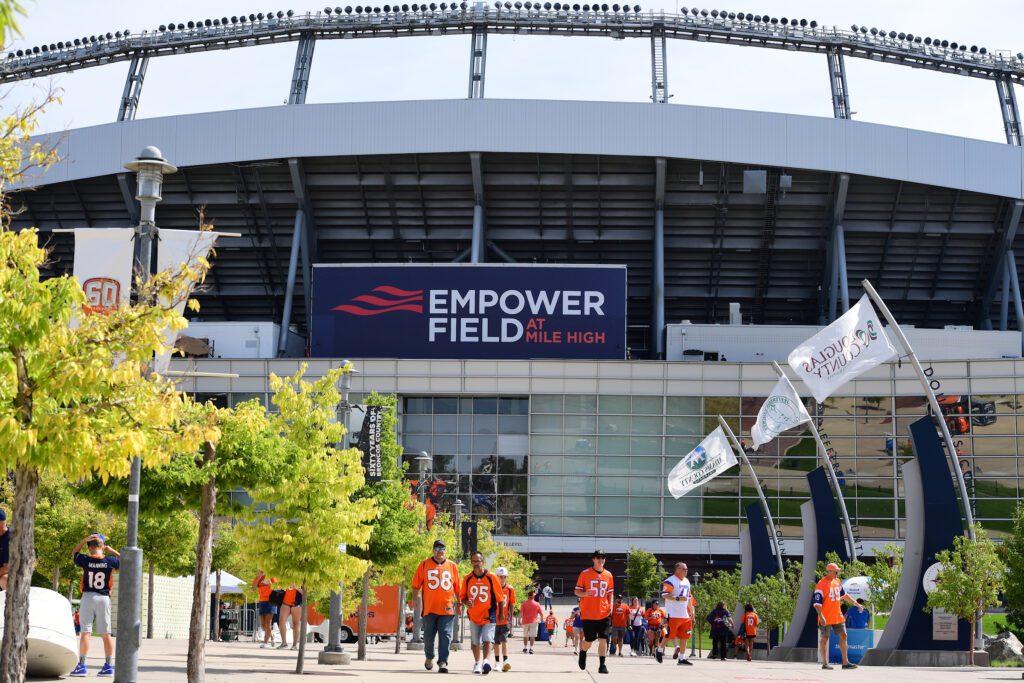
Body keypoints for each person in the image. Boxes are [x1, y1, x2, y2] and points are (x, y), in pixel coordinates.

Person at [70, 533, 120, 677]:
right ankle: (108, 666)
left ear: (89, 547)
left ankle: (82, 665)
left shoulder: (85, 560)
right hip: (104, 598)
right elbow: (127, 561)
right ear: (102, 547)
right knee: (106, 633)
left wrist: (83, 540)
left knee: (86, 632)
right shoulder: (110, 561)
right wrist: (112, 551)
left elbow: (75, 553)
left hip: (88, 597)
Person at [412, 539, 461, 674]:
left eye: (442, 549)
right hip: (430, 609)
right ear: (433, 550)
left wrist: (460, 602)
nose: (440, 552)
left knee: (446, 636)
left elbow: (457, 587)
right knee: (428, 637)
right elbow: (416, 584)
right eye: (437, 549)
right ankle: (429, 657)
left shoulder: (452, 566)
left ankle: (443, 661)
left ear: (446, 551)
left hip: (447, 608)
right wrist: (415, 599)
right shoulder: (424, 565)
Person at [460, 550, 504, 675]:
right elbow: (462, 596)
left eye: (478, 561)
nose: (475, 563)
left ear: (482, 562)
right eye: (473, 561)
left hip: (489, 614)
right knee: (475, 642)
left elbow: (500, 598)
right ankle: (477, 663)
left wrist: (501, 614)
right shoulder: (467, 578)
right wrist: (465, 602)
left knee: (487, 639)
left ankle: (485, 661)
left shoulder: (491, 577)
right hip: (473, 615)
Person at [814, 562, 864, 670]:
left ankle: (845, 663)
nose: (837, 573)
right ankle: (825, 663)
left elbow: (844, 595)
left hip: (837, 615)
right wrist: (821, 616)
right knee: (825, 638)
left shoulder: (837, 581)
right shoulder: (821, 584)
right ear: (830, 571)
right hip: (825, 616)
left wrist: (856, 603)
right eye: (836, 571)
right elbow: (817, 603)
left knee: (844, 635)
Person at [574, 549, 614, 674]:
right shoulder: (585, 574)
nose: (601, 560)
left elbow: (610, 593)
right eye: (598, 558)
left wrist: (610, 606)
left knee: (603, 639)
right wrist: (585, 593)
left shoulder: (608, 575)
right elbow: (576, 591)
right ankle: (583, 651)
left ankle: (602, 665)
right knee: (589, 641)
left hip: (604, 613)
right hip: (589, 614)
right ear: (593, 559)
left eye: (603, 558)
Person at [660, 561, 694, 666]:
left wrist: (691, 610)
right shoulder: (670, 581)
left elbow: (688, 597)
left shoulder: (687, 581)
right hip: (673, 613)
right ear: (678, 569)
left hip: (684, 614)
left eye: (686, 569)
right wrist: (678, 598)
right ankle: (659, 650)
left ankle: (682, 658)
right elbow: (664, 595)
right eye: (684, 569)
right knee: (670, 635)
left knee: (685, 636)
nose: (686, 571)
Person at [494, 566, 516, 671]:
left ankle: (506, 660)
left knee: (504, 640)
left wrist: (511, 618)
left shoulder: (510, 589)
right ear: (496, 577)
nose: (503, 579)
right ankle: (497, 662)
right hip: (494, 619)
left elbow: (511, 604)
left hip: (505, 619)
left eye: (504, 577)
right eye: (500, 577)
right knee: (496, 642)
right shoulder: (492, 588)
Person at [253, 570, 279, 648]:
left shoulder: (271, 576)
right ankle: (272, 637)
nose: (261, 570)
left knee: (268, 623)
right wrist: (258, 578)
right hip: (262, 602)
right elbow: (253, 588)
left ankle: (265, 642)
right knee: (263, 626)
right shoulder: (257, 578)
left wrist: (270, 581)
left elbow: (277, 586)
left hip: (271, 601)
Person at [278, 586, 304, 650]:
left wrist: (296, 588)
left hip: (297, 603)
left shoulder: (301, 579)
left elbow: (305, 593)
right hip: (285, 602)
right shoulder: (287, 578)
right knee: (281, 621)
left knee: (295, 624)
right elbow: (280, 587)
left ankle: (294, 644)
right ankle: (284, 643)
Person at [520, 589, 543, 654]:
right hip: (533, 621)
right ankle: (531, 648)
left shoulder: (524, 603)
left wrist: (519, 620)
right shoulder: (537, 604)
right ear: (533, 596)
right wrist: (541, 618)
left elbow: (521, 612)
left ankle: (525, 647)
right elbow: (541, 613)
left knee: (525, 635)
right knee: (532, 636)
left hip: (525, 621)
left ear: (528, 596)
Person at [0, 510, 10, 591]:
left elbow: (7, 567)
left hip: (6, 574)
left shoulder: (13, 538)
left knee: (5, 579)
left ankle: (8, 603)